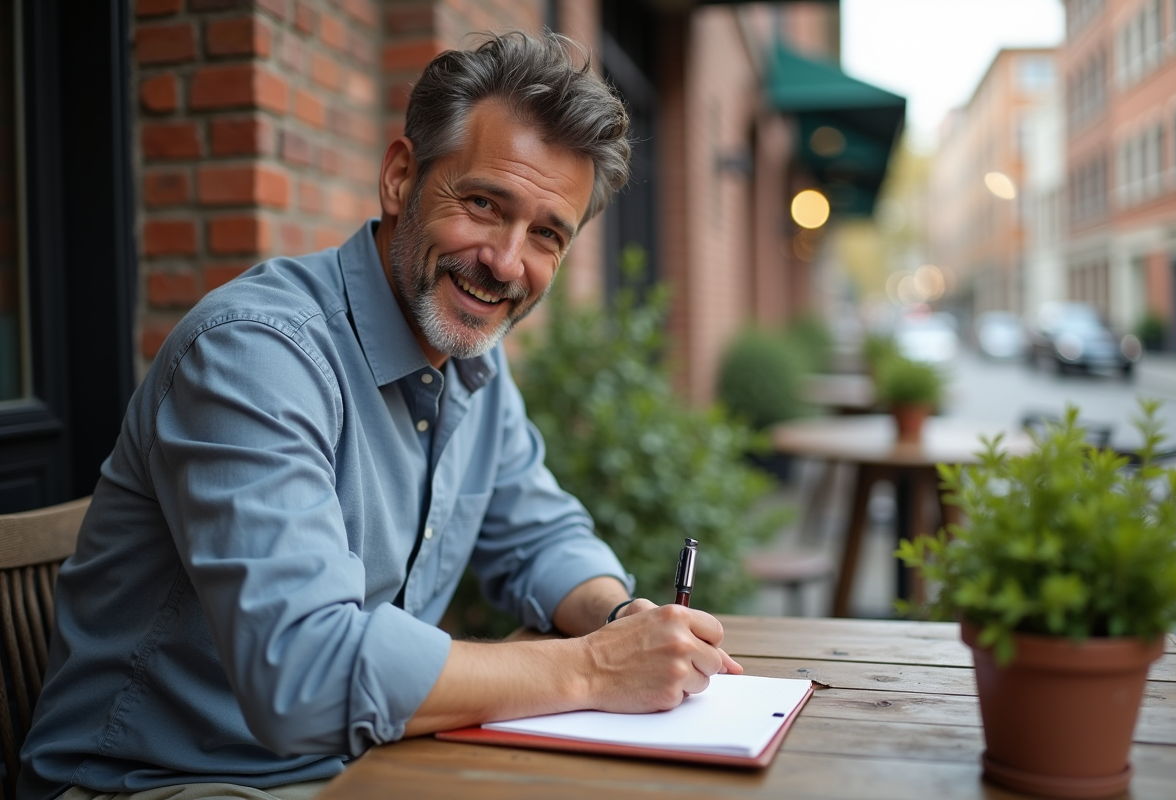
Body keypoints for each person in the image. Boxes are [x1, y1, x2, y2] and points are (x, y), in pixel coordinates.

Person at [19, 31, 740, 800]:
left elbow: (538, 535)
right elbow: (303, 673)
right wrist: (596, 669)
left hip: (360, 769)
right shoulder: (256, 356)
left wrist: (620, 616)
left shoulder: (473, 363)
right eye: (484, 204)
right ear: (401, 178)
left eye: (545, 235)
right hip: (158, 782)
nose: (504, 261)